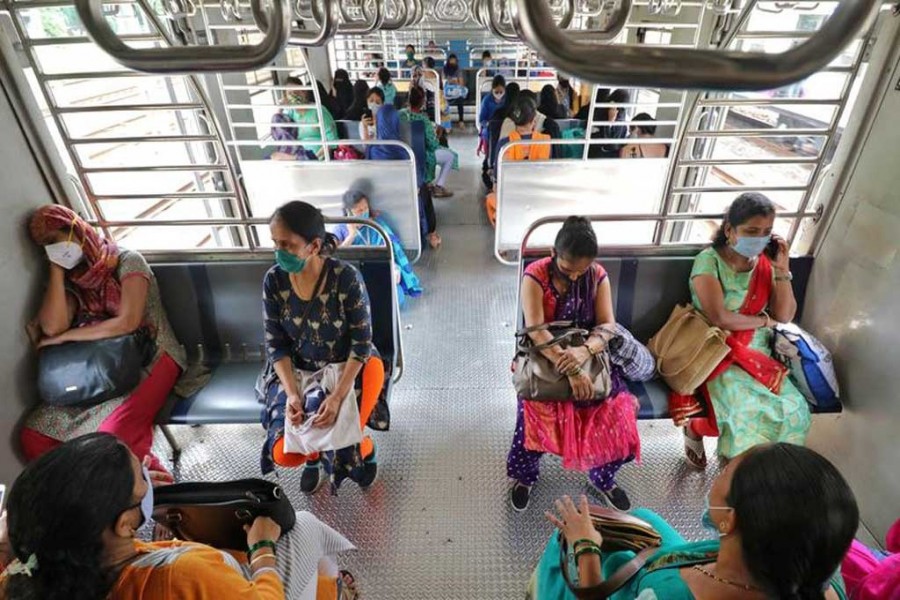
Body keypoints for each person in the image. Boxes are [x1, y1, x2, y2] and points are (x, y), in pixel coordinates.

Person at [0, 433, 357, 600]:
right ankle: (335, 591)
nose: (148, 475)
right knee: (304, 527)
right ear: (123, 524)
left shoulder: (23, 576)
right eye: (140, 477)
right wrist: (261, 548)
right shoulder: (179, 578)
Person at [532, 443, 859, 599]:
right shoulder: (818, 568)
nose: (719, 472)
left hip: (650, 586)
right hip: (711, 562)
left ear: (729, 521)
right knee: (644, 520)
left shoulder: (671, 594)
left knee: (566, 542)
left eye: (727, 471)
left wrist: (585, 547)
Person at [20, 205, 192, 475]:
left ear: (76, 229)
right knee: (34, 435)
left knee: (112, 434)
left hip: (150, 357)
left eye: (56, 241)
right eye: (46, 246)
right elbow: (52, 327)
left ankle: (142, 486)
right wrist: (56, 270)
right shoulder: (72, 278)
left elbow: (128, 322)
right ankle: (95, 490)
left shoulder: (127, 261)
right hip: (93, 368)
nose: (54, 249)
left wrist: (66, 337)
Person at [507, 217, 641, 512]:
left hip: (587, 353)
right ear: (554, 254)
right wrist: (571, 368)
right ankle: (525, 476)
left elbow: (607, 324)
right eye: (568, 270)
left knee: (619, 419)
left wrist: (584, 352)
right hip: (545, 356)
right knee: (534, 411)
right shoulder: (535, 276)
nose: (576, 278)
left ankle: (602, 477)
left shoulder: (597, 276)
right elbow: (536, 328)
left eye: (582, 271)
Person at [261, 201, 386, 492]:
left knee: (341, 442)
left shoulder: (345, 279)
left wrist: (337, 397)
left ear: (314, 246)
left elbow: (362, 342)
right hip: (297, 367)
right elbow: (275, 344)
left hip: (348, 365)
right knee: (283, 451)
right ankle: (312, 454)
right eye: (275, 243)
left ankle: (362, 445)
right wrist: (292, 394)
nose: (279, 252)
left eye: (287, 245)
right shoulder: (274, 281)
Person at [682, 193, 809, 469]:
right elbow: (719, 317)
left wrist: (781, 271)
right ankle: (736, 473)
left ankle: (767, 471)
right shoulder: (709, 261)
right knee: (745, 413)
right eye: (752, 231)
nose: (760, 239)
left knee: (793, 409)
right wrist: (764, 322)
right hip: (717, 351)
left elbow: (784, 315)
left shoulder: (765, 264)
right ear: (729, 230)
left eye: (766, 233)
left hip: (758, 353)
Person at [334, 189, 423, 307]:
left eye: (365, 208)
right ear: (349, 212)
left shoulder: (377, 225)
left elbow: (392, 250)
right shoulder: (340, 228)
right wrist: (351, 236)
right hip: (351, 275)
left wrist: (394, 268)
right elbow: (335, 257)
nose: (364, 212)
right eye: (359, 210)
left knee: (397, 297)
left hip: (376, 271)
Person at [401, 86, 457, 199]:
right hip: (422, 155)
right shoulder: (424, 120)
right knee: (451, 156)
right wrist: (438, 134)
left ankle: (428, 184)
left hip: (403, 152)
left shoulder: (400, 115)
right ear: (422, 102)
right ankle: (438, 187)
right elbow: (432, 145)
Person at [272, 77, 339, 160]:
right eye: (290, 93)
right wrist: (280, 108)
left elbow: (331, 140)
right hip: (296, 153)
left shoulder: (318, 110)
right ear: (286, 97)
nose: (294, 96)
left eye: (297, 92)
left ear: (304, 92)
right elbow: (278, 130)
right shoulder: (289, 113)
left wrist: (315, 157)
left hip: (316, 155)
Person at [588, 88, 629, 159]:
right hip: (599, 148)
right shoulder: (601, 111)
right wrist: (610, 121)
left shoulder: (621, 114)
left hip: (610, 150)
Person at [478, 74, 506, 153]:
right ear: (492, 90)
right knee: (486, 133)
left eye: (501, 92)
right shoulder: (487, 100)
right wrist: (487, 124)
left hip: (504, 124)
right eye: (496, 92)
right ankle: (489, 155)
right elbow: (482, 119)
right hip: (490, 125)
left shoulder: (507, 99)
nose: (499, 94)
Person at [443, 54, 468, 129]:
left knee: (460, 99)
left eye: (454, 61)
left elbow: (461, 83)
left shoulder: (458, 69)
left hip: (457, 91)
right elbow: (443, 82)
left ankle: (461, 121)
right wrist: (450, 81)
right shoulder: (445, 69)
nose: (452, 62)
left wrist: (455, 82)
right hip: (447, 91)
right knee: (443, 100)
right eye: (451, 61)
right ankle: (446, 124)